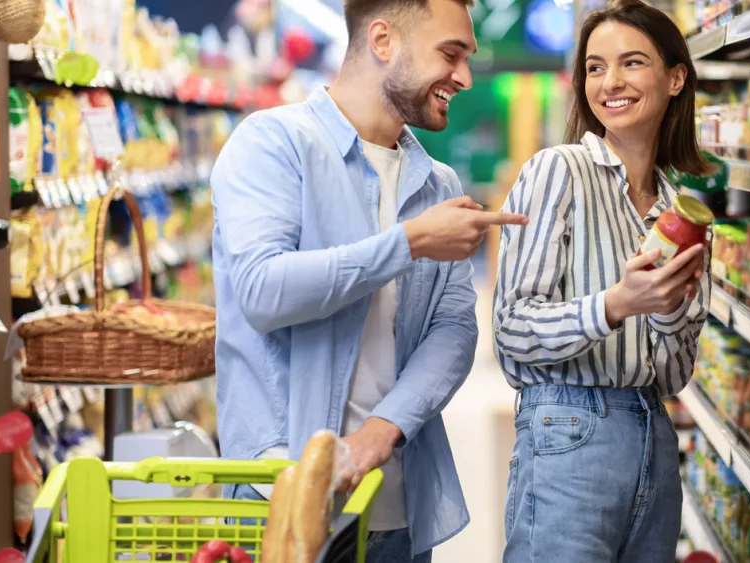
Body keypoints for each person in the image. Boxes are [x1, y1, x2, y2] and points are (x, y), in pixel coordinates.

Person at [209, 0, 528, 560]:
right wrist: (408, 243)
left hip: (397, 510)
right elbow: (262, 290)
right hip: (280, 499)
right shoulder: (272, 144)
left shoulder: (439, 182)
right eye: (450, 54)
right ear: (383, 41)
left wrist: (378, 436)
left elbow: (453, 330)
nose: (465, 77)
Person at [493, 0, 713, 561]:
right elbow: (512, 332)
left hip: (653, 439)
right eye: (595, 67)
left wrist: (664, 308)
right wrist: (615, 304)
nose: (610, 82)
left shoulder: (679, 212)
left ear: (675, 77)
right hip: (569, 430)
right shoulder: (558, 171)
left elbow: (674, 374)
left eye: (632, 63)